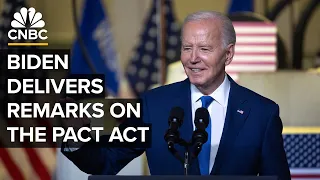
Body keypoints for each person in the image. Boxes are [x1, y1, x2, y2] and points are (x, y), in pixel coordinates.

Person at [61, 11, 291, 180]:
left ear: (228, 54)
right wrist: (76, 136)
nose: (192, 58)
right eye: (186, 48)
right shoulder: (154, 105)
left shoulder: (262, 113)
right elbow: (105, 162)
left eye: (204, 49)